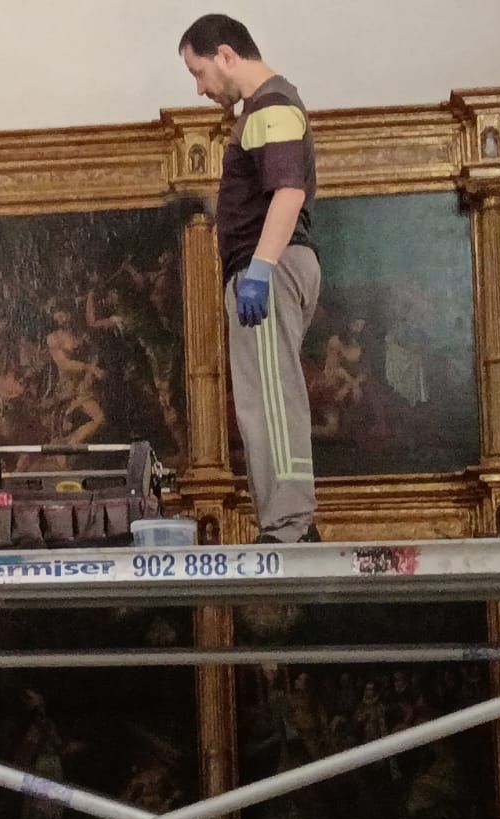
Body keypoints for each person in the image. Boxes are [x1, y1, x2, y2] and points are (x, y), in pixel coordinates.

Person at [179, 14, 323, 543]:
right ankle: (288, 522)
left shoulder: (271, 105)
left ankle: (289, 527)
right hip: (271, 264)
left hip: (271, 268)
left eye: (198, 72)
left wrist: (260, 269)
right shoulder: (264, 110)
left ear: (226, 54)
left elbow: (289, 192)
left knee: (271, 399)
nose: (200, 89)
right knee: (263, 396)